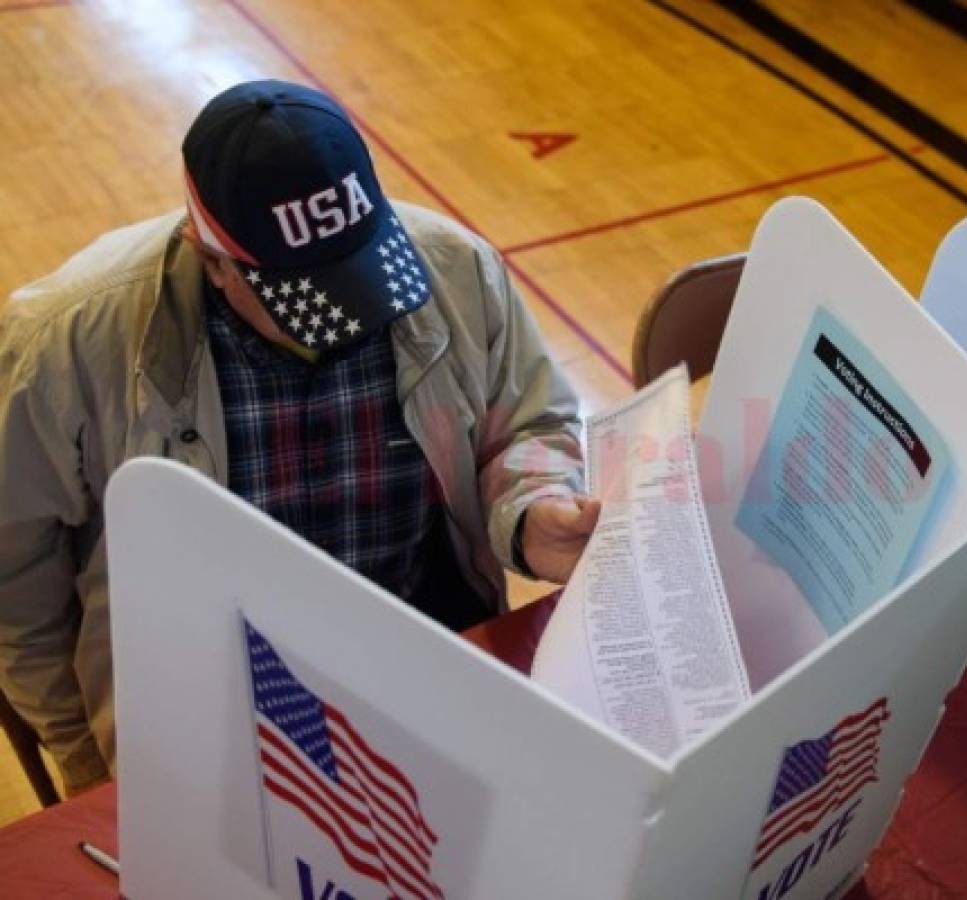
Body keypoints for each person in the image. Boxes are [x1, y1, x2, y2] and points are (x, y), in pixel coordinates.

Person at [0, 79, 599, 796]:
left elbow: (530, 421)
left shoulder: (455, 268)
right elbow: (14, 580)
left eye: (359, 271)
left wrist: (531, 507)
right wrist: (81, 750)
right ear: (212, 260)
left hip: (426, 651)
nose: (351, 319)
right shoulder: (62, 345)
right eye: (310, 297)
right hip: (206, 710)